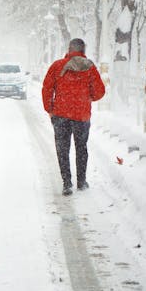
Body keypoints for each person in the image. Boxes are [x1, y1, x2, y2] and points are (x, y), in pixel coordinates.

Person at [42, 37, 105, 195]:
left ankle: (67, 183)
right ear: (83, 50)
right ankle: (82, 182)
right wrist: (86, 98)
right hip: (82, 116)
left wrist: (50, 108)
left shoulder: (57, 66)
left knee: (62, 149)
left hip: (61, 115)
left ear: (69, 50)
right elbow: (99, 91)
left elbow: (47, 88)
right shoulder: (90, 67)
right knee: (81, 148)